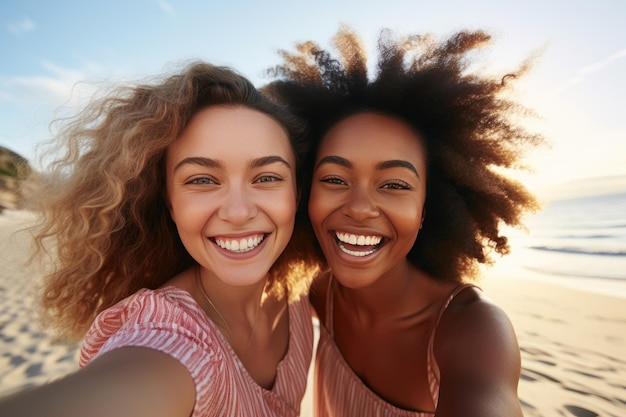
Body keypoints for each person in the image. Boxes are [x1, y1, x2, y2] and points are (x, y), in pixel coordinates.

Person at [0, 62, 317, 417]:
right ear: (168, 200)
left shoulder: (298, 288)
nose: (238, 211)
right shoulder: (167, 341)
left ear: (297, 192)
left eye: (267, 177)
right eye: (201, 180)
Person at [264, 27, 543, 417]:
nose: (360, 207)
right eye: (333, 179)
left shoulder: (472, 329)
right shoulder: (319, 292)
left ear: (428, 208)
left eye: (394, 184)